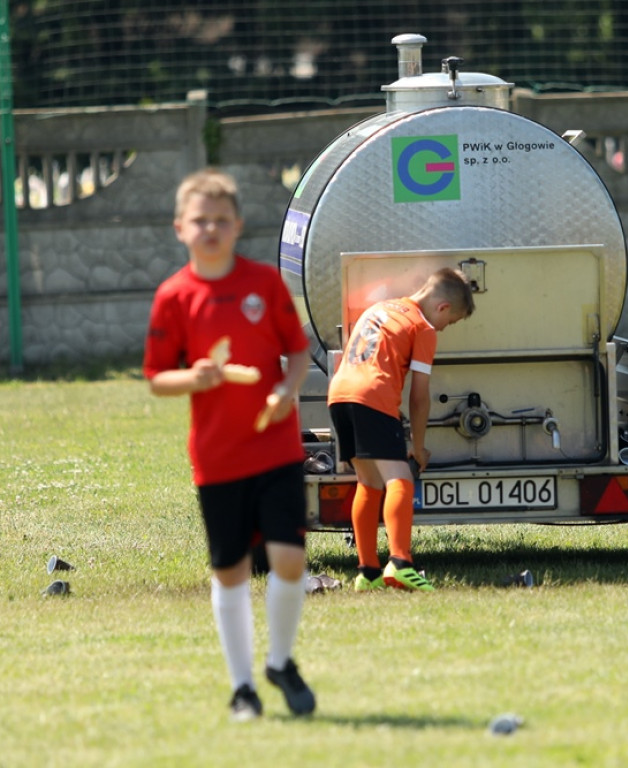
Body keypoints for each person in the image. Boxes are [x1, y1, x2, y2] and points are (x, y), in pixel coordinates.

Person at [143, 168, 316, 720]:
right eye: (200, 221)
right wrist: (194, 377)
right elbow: (155, 377)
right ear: (180, 228)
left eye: (221, 220)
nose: (211, 229)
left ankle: (281, 662)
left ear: (238, 225)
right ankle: (243, 687)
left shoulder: (264, 284)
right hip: (217, 459)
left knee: (290, 559)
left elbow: (297, 352)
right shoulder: (173, 296)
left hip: (277, 450)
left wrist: (288, 391)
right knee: (231, 571)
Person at [328, 268, 475, 592]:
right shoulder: (422, 327)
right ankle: (401, 563)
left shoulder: (379, 308)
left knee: (368, 482)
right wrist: (418, 447)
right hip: (373, 398)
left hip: (339, 395)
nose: (443, 328)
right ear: (442, 308)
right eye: (448, 323)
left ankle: (367, 572)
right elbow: (419, 396)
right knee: (400, 479)